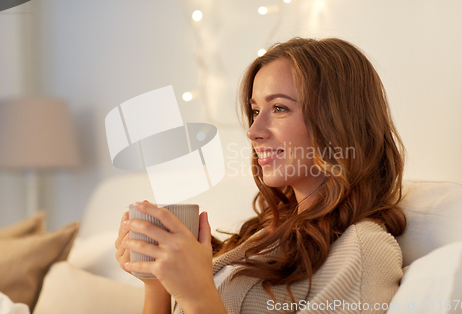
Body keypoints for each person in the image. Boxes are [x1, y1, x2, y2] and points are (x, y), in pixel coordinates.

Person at [115, 37, 406, 314]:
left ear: (338, 122)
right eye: (255, 110)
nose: (253, 131)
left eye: (279, 108)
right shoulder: (264, 232)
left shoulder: (364, 252)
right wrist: (157, 284)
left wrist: (198, 296)